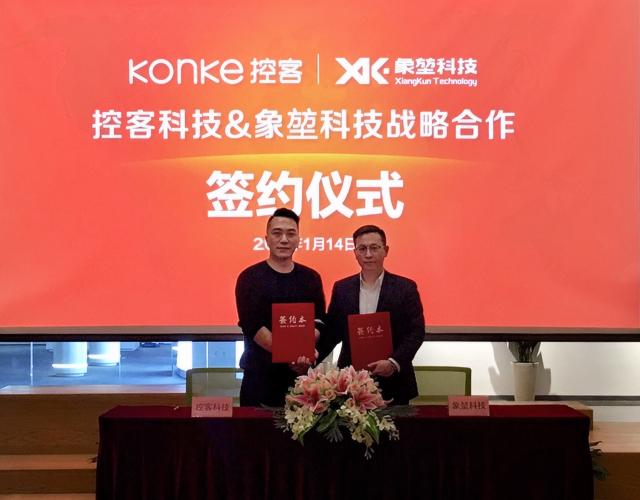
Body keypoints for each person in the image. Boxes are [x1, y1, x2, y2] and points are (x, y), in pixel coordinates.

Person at [317, 225, 425, 405]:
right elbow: (333, 331)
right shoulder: (342, 288)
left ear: (386, 250)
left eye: (374, 248)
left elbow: (416, 332)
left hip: (394, 383)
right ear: (355, 252)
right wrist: (312, 355)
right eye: (362, 248)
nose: (368, 254)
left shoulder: (405, 288)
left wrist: (393, 363)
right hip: (350, 383)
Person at [235, 208, 325, 407]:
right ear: (266, 239)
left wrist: (303, 355)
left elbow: (319, 322)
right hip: (260, 379)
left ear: (298, 239)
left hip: (301, 378)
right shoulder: (250, 278)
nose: (284, 239)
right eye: (277, 233)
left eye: (291, 234)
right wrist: (292, 355)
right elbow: (253, 326)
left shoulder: (311, 278)